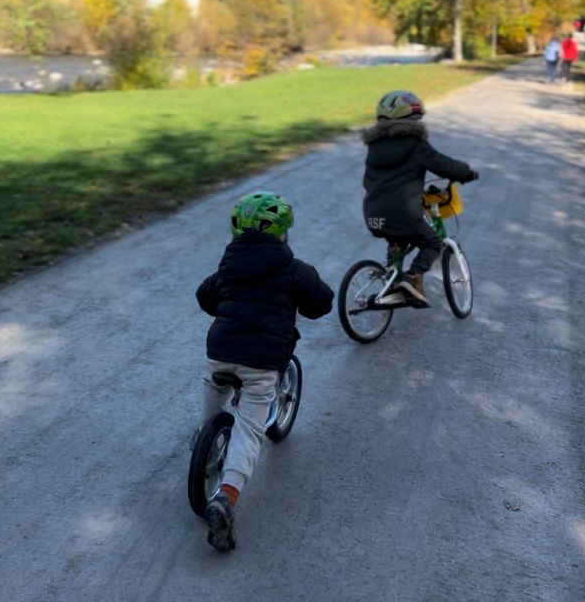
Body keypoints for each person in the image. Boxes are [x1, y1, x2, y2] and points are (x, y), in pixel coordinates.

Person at [195, 191, 333, 552]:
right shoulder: (293, 269)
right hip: (262, 362)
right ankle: (225, 497)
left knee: (214, 385)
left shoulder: (228, 265)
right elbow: (322, 302)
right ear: (283, 233)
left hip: (221, 351)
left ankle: (203, 440)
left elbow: (204, 296)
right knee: (250, 429)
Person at [362, 90, 479, 307]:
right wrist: (466, 173)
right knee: (432, 242)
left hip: (373, 214)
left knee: (397, 236)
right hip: (404, 212)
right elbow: (442, 163)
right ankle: (413, 277)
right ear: (412, 120)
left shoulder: (374, 147)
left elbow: (368, 182)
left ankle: (394, 278)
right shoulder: (415, 145)